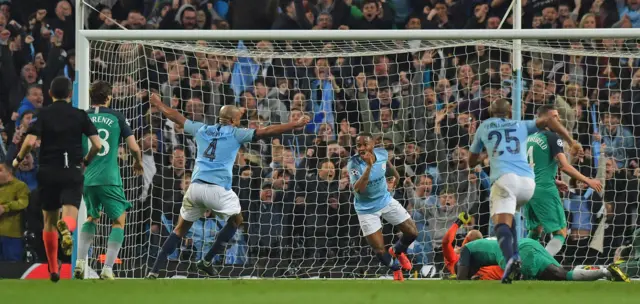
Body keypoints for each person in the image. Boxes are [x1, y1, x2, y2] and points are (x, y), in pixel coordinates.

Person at [146, 93, 310, 279]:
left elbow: (176, 115)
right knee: (237, 220)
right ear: (232, 120)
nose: (240, 122)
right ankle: (207, 260)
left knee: (179, 229)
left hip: (195, 187)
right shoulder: (235, 133)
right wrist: (294, 125)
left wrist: (158, 103)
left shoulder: (202, 129)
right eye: (239, 119)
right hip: (217, 189)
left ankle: (154, 270)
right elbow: (267, 131)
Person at [468, 98, 578, 283]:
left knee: (503, 224)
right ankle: (520, 259)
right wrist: (571, 141)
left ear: (490, 113)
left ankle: (515, 260)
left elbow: (471, 161)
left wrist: (480, 159)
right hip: (528, 183)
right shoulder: (521, 125)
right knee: (532, 228)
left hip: (505, 181)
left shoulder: (485, 127)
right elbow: (550, 121)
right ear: (510, 113)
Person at [12, 76, 102, 282]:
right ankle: (67, 227)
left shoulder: (43, 114)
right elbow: (97, 144)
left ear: (50, 94)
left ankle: (53, 268)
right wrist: (86, 161)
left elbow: (30, 141)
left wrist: (18, 160)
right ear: (70, 94)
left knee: (48, 221)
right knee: (70, 214)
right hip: (72, 169)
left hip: (48, 170)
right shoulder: (79, 115)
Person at [74, 81, 144, 280]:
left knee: (91, 217)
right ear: (109, 97)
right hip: (109, 178)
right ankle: (107, 268)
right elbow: (134, 147)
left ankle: (80, 262)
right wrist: (137, 162)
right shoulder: (117, 117)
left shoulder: (82, 117)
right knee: (118, 221)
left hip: (87, 177)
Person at [524, 105, 602, 257]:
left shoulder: (529, 138)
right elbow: (565, 166)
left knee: (535, 230)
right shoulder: (553, 137)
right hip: (544, 189)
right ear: (545, 119)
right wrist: (588, 180)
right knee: (560, 232)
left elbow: (533, 167)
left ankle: (521, 264)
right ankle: (541, 264)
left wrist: (554, 181)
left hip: (528, 189)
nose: (558, 120)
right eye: (555, 117)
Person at [347, 133, 419, 281]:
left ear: (373, 144)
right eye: (358, 145)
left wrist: (396, 178)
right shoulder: (353, 164)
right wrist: (369, 167)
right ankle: (396, 270)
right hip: (366, 209)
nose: (361, 148)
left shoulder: (382, 153)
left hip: (385, 200)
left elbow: (388, 166)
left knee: (412, 232)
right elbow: (358, 189)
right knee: (379, 249)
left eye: (365, 144)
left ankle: (396, 251)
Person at [457, 238, 630, 282]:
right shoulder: (485, 244)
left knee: (563, 276)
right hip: (528, 243)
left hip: (511, 253)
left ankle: (605, 272)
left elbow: (461, 280)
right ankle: (607, 271)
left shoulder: (466, 249)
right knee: (563, 273)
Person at [442, 212, 503, 280]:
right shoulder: (454, 259)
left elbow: (446, 242)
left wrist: (459, 222)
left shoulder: (461, 253)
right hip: (489, 264)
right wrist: (458, 222)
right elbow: (446, 242)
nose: (456, 246)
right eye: (455, 247)